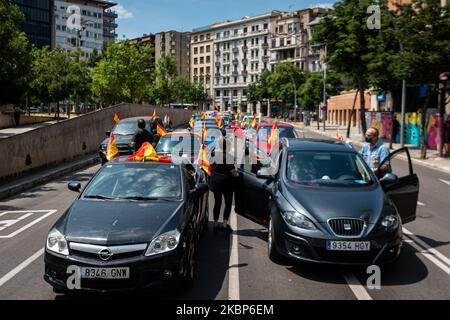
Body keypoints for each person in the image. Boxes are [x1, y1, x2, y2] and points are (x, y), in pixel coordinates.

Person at [209, 135, 238, 234]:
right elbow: (232, 170)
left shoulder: (214, 155)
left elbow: (211, 167)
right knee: (228, 203)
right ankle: (225, 224)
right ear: (227, 147)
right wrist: (237, 175)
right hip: (227, 184)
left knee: (217, 203)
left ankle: (216, 224)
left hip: (216, 182)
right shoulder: (229, 156)